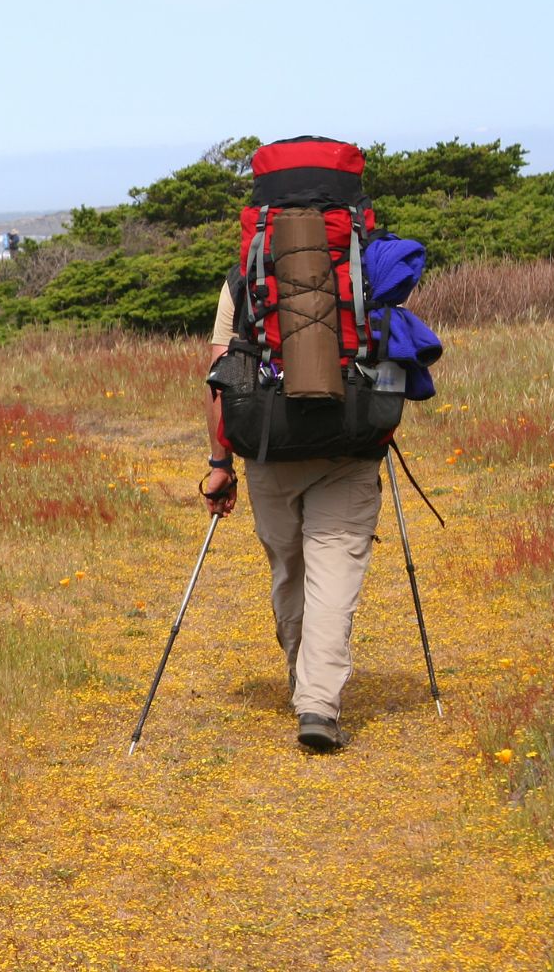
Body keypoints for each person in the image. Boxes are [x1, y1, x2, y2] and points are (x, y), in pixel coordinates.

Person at [202, 277, 382, 753]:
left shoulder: (245, 277)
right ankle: (317, 705)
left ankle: (302, 681)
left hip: (268, 445)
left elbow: (221, 371)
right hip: (351, 444)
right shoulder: (364, 263)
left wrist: (220, 464)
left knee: (290, 569)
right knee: (334, 574)